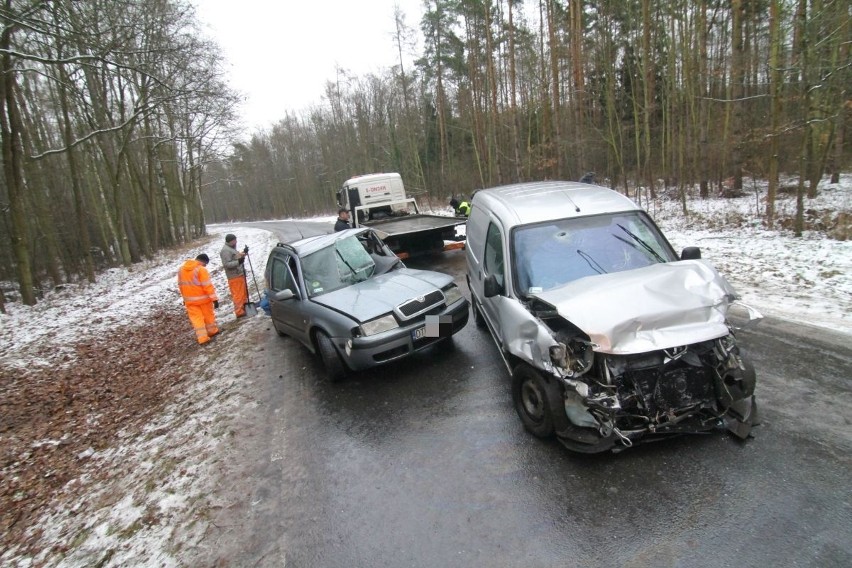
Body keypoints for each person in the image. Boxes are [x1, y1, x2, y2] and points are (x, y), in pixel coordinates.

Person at [177, 254, 219, 345]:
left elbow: (181, 286)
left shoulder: (181, 270)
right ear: (203, 261)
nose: (205, 266)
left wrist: (184, 298)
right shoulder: (201, 270)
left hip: (190, 301)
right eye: (205, 264)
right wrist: (214, 299)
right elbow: (207, 285)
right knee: (208, 316)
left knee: (197, 320)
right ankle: (212, 331)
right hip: (204, 299)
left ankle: (202, 339)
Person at [220, 233, 248, 318]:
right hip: (234, 276)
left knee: (242, 293)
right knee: (238, 294)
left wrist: (244, 253)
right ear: (231, 241)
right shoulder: (225, 250)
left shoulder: (231, 248)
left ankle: (244, 308)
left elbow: (236, 256)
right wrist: (239, 262)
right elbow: (227, 264)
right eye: (235, 240)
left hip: (239, 274)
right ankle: (239, 312)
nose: (236, 242)